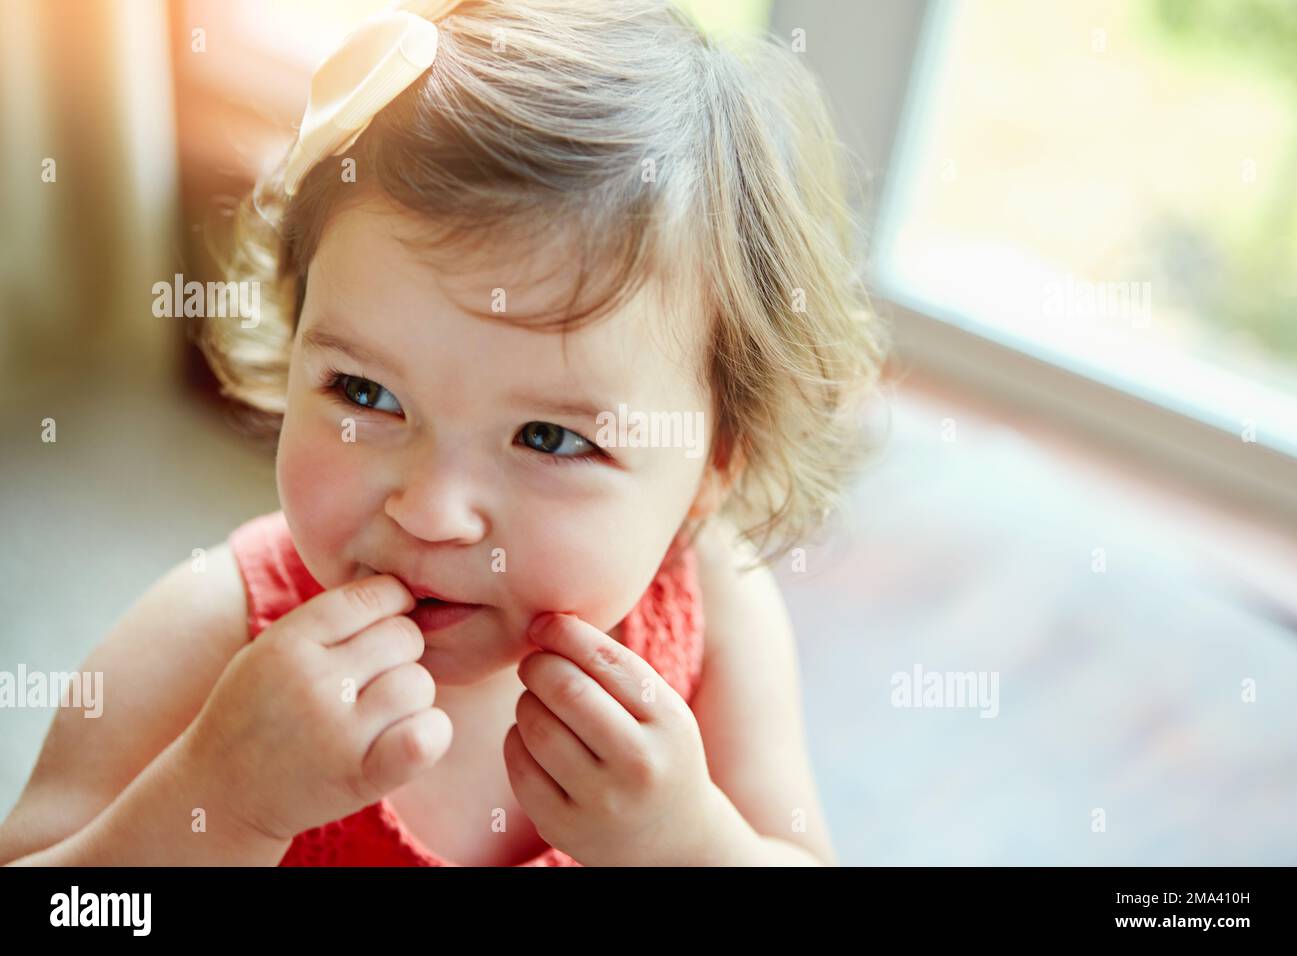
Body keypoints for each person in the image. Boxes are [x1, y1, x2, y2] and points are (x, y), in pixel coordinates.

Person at [1, 0, 885, 867]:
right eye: (365, 391)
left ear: (710, 470)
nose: (430, 511)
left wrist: (686, 845)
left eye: (548, 438)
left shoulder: (717, 612)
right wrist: (216, 802)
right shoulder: (212, 634)